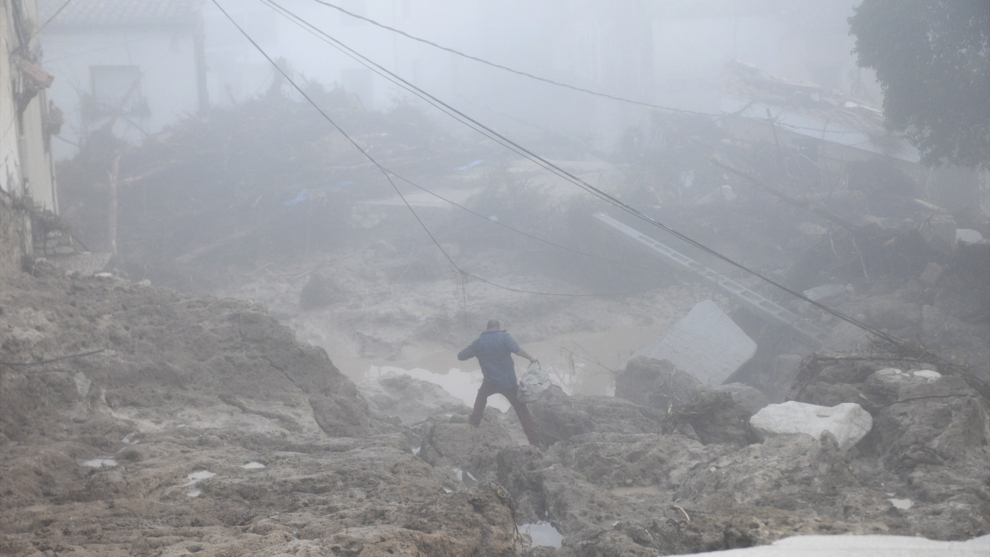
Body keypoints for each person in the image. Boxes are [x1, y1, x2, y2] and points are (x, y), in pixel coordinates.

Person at [458, 319, 542, 446]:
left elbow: (461, 356)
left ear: (487, 328)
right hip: (509, 383)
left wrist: (470, 347)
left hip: (490, 382)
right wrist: (531, 357)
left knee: (481, 397)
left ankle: (474, 423)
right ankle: (535, 442)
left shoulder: (478, 342)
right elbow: (517, 350)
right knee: (522, 411)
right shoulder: (504, 337)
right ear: (498, 327)